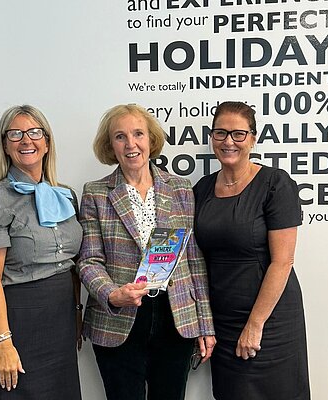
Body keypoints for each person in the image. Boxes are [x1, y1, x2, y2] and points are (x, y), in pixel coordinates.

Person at [78, 104, 215, 400]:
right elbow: (89, 260)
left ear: (151, 140)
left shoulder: (180, 188)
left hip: (175, 319)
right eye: (120, 136)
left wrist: (205, 324)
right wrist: (112, 293)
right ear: (109, 145)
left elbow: (194, 261)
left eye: (138, 133)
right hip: (118, 319)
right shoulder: (96, 193)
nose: (131, 144)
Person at [193, 101, 310, 399]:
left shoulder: (275, 184)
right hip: (222, 319)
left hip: (268, 321)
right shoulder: (202, 189)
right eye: (220, 133)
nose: (228, 141)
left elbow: (283, 262)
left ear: (253, 138)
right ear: (211, 137)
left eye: (238, 134)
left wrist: (255, 325)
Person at [0, 105, 83, 399]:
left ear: (46, 142)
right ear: (5, 146)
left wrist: (77, 313)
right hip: (19, 320)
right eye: (15, 134)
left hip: (61, 319)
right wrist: (3, 343)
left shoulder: (66, 195)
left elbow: (72, 266)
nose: (26, 140)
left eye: (34, 132)